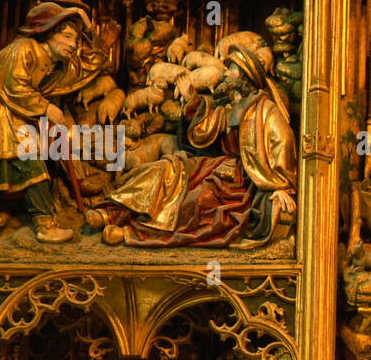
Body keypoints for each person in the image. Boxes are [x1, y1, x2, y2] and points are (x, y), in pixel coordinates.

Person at [89, 44, 296, 248]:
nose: (225, 72)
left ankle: (132, 232)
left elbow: (283, 141)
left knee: (195, 200)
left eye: (231, 69)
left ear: (245, 76)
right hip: (213, 167)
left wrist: (281, 186)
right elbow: (202, 131)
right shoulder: (229, 108)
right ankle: (111, 212)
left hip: (239, 182)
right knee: (166, 168)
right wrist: (191, 100)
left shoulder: (265, 110)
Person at [0, 0, 93, 245]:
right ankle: (45, 225)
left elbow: (81, 71)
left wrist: (88, 27)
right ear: (48, 32)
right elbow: (13, 85)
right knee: (33, 167)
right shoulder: (23, 49)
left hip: (11, 115)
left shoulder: (53, 63)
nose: (73, 45)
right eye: (67, 37)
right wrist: (46, 109)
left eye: (75, 39)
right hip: (2, 114)